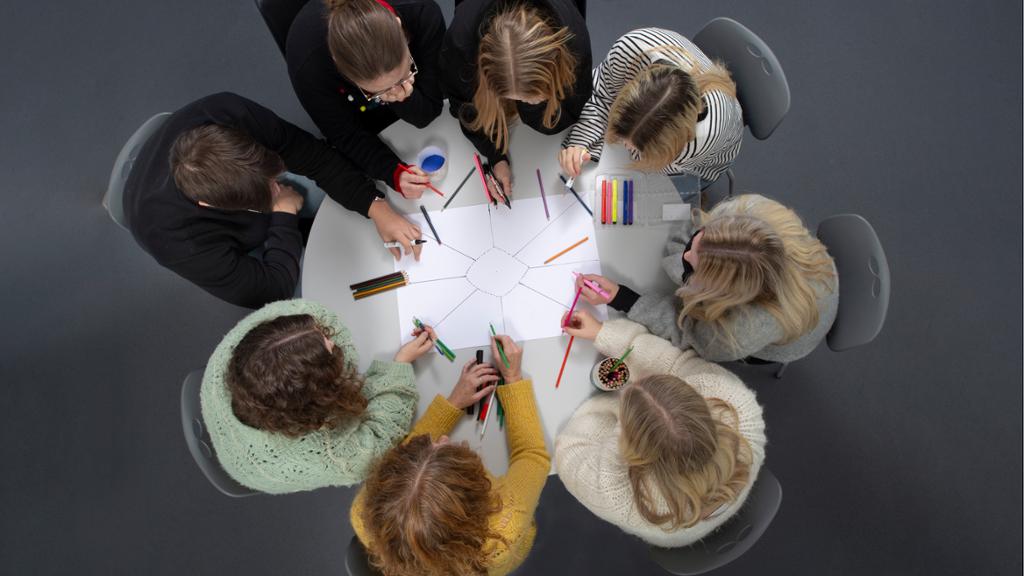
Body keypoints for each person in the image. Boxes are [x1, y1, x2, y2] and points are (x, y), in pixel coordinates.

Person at [124, 92, 423, 309]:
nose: (277, 188)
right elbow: (271, 288)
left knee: (340, 180)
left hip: (231, 174)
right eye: (265, 194)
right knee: (322, 284)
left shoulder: (228, 114)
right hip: (193, 230)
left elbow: (315, 157)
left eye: (272, 180)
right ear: (211, 205)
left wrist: (376, 206)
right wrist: (284, 215)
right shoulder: (180, 243)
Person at [556, 312, 766, 547]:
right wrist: (604, 333)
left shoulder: (620, 498)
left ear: (632, 450)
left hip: (676, 533)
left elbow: (571, 447)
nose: (632, 386)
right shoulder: (733, 402)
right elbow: (677, 363)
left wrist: (613, 411)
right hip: (726, 499)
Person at [351, 334, 550, 576]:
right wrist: (513, 378)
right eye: (444, 448)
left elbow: (410, 455)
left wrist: (454, 402)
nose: (443, 438)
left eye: (429, 445)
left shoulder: (363, 510)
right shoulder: (507, 521)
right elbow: (531, 454)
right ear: (476, 491)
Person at [200, 298, 436, 494]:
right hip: (252, 466)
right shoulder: (333, 454)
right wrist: (401, 364)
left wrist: (318, 345)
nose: (332, 340)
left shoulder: (237, 354)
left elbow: (305, 310)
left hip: (229, 419)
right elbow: (381, 437)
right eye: (330, 346)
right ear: (319, 397)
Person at [575, 194, 838, 362]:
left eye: (695, 269)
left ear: (721, 293)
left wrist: (623, 298)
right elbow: (698, 223)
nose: (686, 255)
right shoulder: (750, 210)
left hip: (792, 328)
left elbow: (688, 332)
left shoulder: (739, 332)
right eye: (696, 242)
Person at [286, 0, 446, 198]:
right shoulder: (309, 68)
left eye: (405, 74)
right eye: (378, 91)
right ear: (339, 67)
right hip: (360, 116)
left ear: (398, 25)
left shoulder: (421, 12)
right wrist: (393, 172)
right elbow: (347, 135)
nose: (396, 90)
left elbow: (429, 110)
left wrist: (402, 97)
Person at [441, 0, 591, 199]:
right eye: (512, 97)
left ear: (556, 67)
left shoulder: (573, 38)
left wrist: (532, 108)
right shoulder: (460, 44)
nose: (523, 103)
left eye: (530, 99)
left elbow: (572, 107)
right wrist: (495, 155)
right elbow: (464, 108)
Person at [560, 27, 743, 185]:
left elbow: (656, 166)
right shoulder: (630, 49)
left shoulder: (702, 137)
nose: (625, 145)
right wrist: (580, 144)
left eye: (634, 147)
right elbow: (601, 95)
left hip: (705, 159)